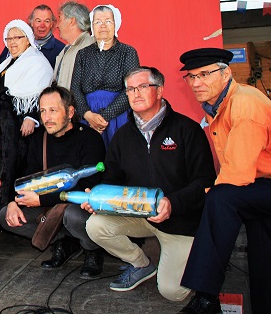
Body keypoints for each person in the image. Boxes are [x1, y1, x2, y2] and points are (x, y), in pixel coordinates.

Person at [81, 67, 216, 300]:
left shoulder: (187, 130)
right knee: (95, 225)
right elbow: (112, 179)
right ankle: (141, 264)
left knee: (172, 292)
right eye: (130, 89)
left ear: (160, 90)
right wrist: (98, 197)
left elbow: (204, 182)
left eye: (143, 87)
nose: (136, 93)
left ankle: (196, 254)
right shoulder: (122, 136)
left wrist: (172, 203)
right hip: (139, 216)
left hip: (181, 221)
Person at [178, 49, 271, 314]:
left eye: (204, 74)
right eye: (191, 77)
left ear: (226, 72)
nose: (196, 83)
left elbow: (236, 176)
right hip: (262, 184)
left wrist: (203, 194)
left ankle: (205, 297)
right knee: (265, 254)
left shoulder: (244, 103)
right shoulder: (220, 105)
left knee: (221, 198)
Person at [0, 83, 106, 278]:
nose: (46, 117)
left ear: (70, 111)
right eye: (43, 111)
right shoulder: (39, 139)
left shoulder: (90, 139)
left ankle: (93, 249)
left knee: (72, 216)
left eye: (53, 111)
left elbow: (86, 187)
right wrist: (14, 202)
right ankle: (65, 242)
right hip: (49, 205)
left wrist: (41, 201)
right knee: (6, 216)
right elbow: (28, 176)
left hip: (80, 205)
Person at [0, 19, 52, 223]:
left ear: (28, 39)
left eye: (17, 37)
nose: (12, 42)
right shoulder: (9, 61)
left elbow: (42, 94)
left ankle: (6, 207)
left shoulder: (38, 62)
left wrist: (32, 118)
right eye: (8, 38)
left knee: (12, 164)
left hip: (17, 125)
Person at [70, 4, 139, 146]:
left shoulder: (128, 52)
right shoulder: (83, 54)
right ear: (92, 26)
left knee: (117, 158)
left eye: (108, 21)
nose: (103, 26)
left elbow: (131, 89)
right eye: (98, 22)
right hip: (87, 116)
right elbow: (75, 89)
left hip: (117, 116)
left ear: (116, 24)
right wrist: (88, 115)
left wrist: (103, 117)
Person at [0, 4, 65, 68]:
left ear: (52, 24)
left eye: (47, 21)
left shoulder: (60, 50)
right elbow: (0, 69)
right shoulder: (17, 42)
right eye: (38, 21)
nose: (42, 25)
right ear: (31, 22)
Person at [53, 1, 95, 90]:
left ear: (71, 21)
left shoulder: (90, 46)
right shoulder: (66, 48)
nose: (57, 25)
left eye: (60, 19)